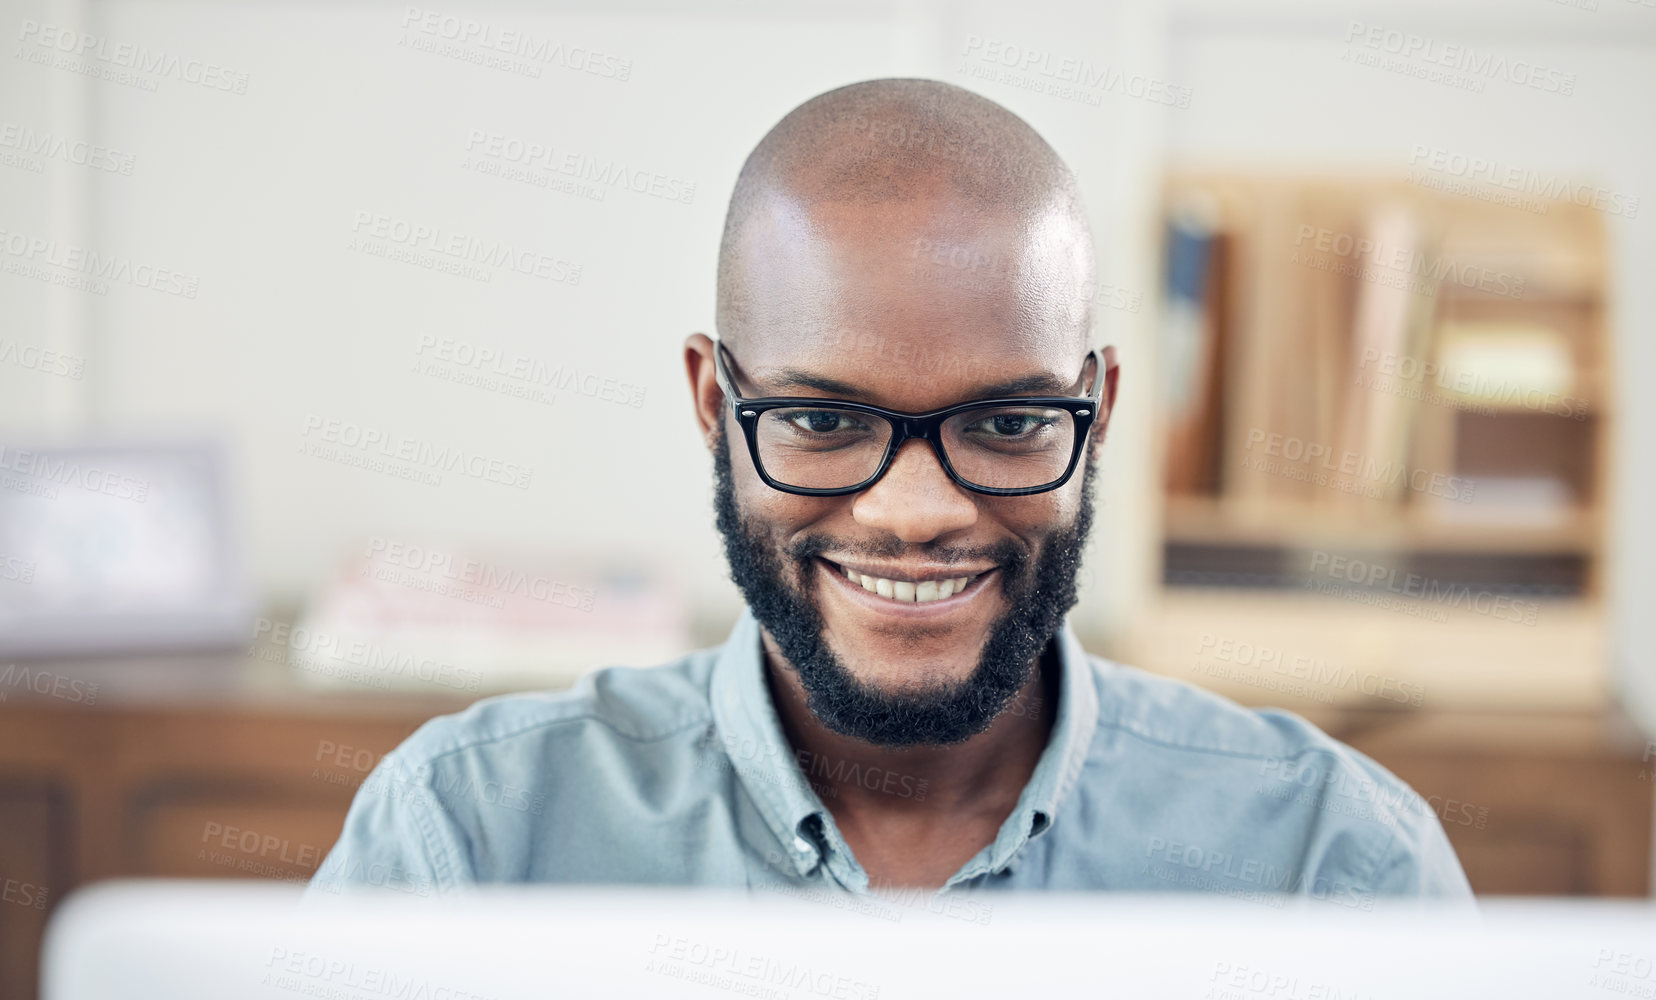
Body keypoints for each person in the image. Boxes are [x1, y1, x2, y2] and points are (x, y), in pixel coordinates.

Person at [310, 79, 1471, 903]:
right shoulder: (466, 840)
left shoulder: (1333, 864)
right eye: (821, 419)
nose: (915, 511)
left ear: (1098, 412)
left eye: (1009, 422)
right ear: (715, 404)